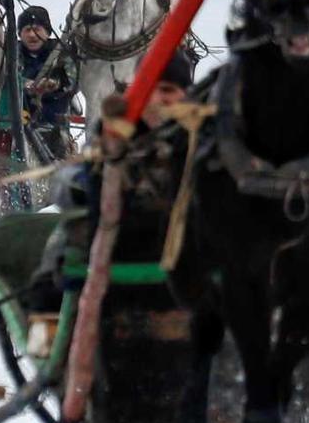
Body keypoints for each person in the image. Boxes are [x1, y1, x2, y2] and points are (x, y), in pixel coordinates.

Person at [22, 50, 194, 312]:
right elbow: (70, 182)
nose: (159, 99)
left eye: (168, 90)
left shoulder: (202, 136)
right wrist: (83, 183)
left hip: (185, 251)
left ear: (186, 94)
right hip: (116, 245)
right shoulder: (112, 131)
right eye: (150, 88)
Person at [17, 5, 79, 160]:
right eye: (27, 30)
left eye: (37, 29)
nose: (32, 35)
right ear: (19, 34)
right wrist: (24, 84)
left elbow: (73, 81)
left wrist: (54, 84)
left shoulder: (61, 54)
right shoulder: (11, 54)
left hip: (55, 129)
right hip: (17, 127)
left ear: (48, 32)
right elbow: (2, 78)